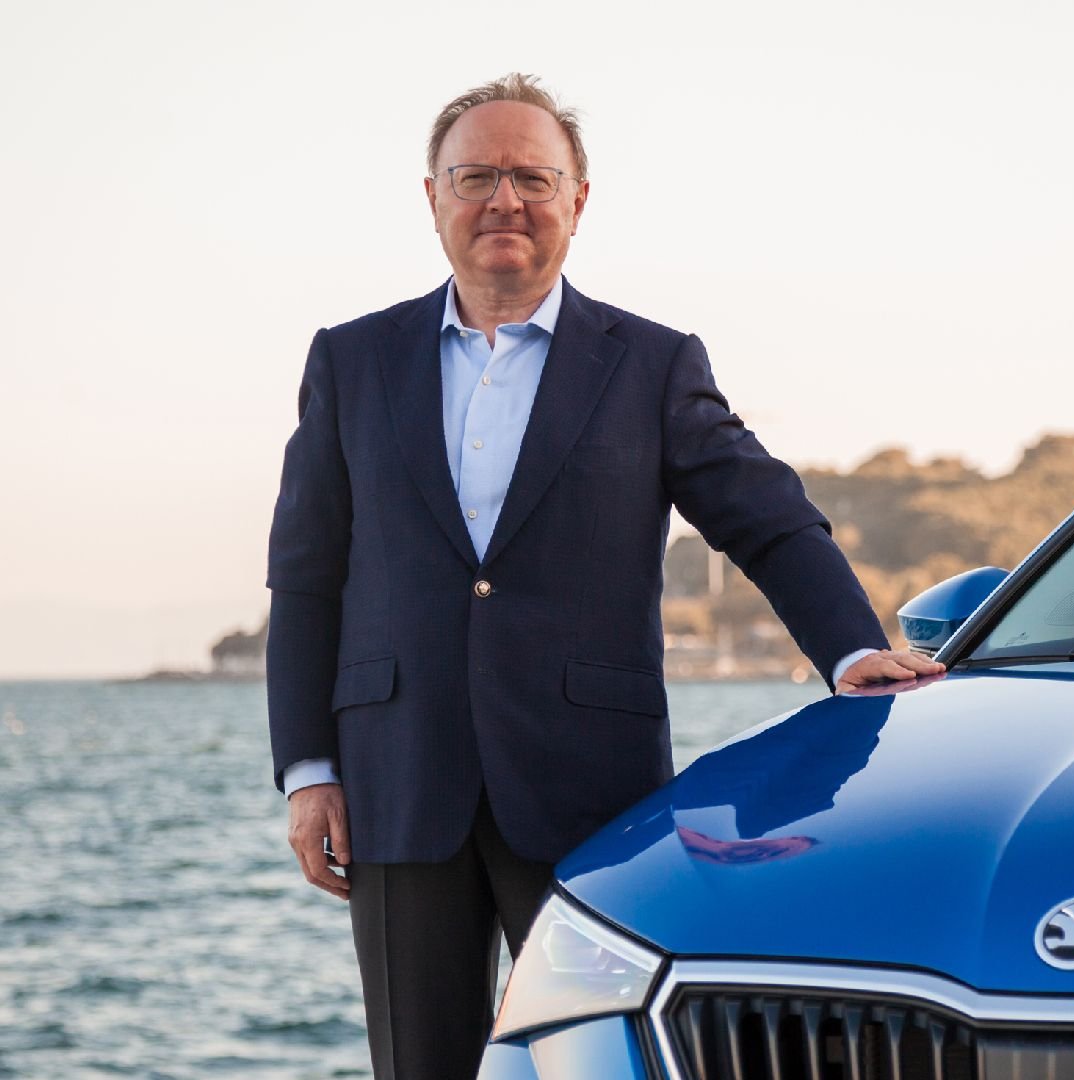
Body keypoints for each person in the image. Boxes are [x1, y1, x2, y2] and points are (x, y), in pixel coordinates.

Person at [266, 73, 942, 1080]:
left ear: (578, 200)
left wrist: (851, 651)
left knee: (607, 1063)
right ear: (432, 197)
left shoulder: (651, 364)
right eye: (477, 176)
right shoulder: (350, 361)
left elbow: (766, 518)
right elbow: (305, 577)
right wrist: (308, 772)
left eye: (532, 177)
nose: (504, 200)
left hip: (590, 794)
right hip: (395, 784)